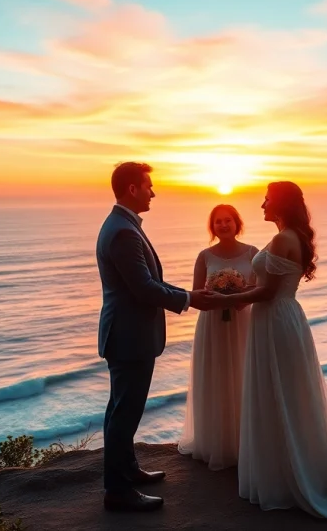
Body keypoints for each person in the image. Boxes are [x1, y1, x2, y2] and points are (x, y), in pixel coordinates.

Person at [218, 181, 327, 521]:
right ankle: (281, 470)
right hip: (280, 318)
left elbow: (267, 292)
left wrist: (229, 298)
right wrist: (240, 293)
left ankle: (286, 478)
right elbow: (265, 285)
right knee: (283, 392)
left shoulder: (284, 238)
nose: (262, 204)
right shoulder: (288, 234)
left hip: (276, 319)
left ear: (279, 203)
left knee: (278, 391)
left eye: (267, 199)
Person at [95, 162, 219, 512]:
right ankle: (117, 491)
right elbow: (144, 288)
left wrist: (185, 296)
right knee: (124, 413)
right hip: (128, 338)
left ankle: (128, 470)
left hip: (126, 335)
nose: (154, 192)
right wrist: (190, 298)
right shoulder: (123, 232)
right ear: (132, 188)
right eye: (149, 186)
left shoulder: (123, 225)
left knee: (121, 409)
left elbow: (148, 283)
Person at [178, 205, 258, 470]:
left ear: (237, 223)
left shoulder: (252, 253)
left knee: (242, 376)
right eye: (218, 222)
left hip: (243, 321)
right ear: (213, 227)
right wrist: (217, 298)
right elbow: (197, 294)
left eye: (228, 220)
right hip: (212, 324)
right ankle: (215, 443)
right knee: (215, 378)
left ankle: (243, 443)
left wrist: (237, 296)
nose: (223, 225)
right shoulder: (205, 256)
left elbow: (258, 290)